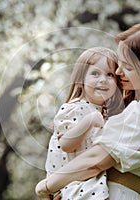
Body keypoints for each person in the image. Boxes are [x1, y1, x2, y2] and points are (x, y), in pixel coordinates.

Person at [35, 22, 140, 200]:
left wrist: (47, 186)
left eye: (128, 67)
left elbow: (96, 160)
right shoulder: (130, 108)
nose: (118, 72)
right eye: (119, 64)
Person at [43, 47, 124, 200]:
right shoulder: (75, 107)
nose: (103, 79)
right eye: (95, 73)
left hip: (88, 181)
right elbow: (66, 144)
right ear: (81, 79)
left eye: (110, 75)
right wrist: (89, 121)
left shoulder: (103, 113)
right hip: (72, 184)